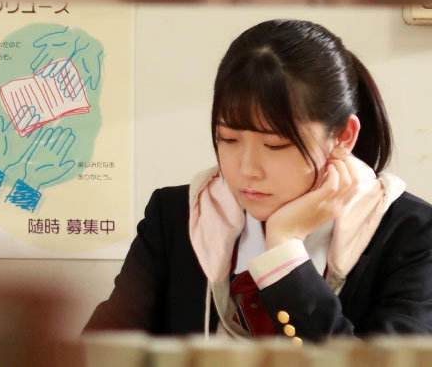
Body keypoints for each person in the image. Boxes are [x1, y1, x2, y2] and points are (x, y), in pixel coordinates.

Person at [85, 19, 432, 343]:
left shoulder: (413, 234)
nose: (247, 169)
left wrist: (284, 252)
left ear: (343, 136)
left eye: (275, 145)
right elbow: (97, 351)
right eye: (229, 139)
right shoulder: (177, 216)